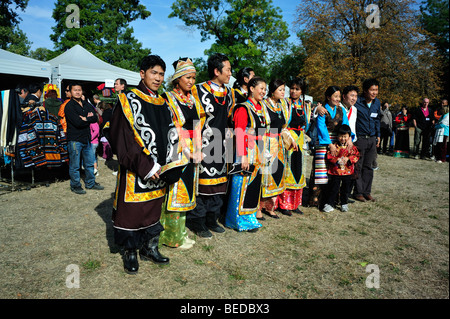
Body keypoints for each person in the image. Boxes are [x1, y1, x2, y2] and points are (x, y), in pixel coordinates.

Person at [108, 55, 188, 274]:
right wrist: (146, 166)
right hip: (137, 170)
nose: (158, 78)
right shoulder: (128, 99)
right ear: (142, 73)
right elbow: (122, 139)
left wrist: (172, 163)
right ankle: (130, 251)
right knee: (133, 212)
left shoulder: (164, 102)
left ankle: (150, 247)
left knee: (153, 210)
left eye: (162, 74)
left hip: (160, 171)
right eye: (154, 73)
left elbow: (172, 133)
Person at [186, 53, 235, 238]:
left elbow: (230, 119)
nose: (230, 73)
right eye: (228, 70)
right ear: (216, 71)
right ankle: (197, 221)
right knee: (202, 185)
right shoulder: (197, 90)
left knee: (219, 184)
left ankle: (212, 219)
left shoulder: (229, 92)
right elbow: (193, 120)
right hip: (204, 144)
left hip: (223, 144)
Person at [159, 57, 204, 249]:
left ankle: (181, 232)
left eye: (193, 78)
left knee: (187, 190)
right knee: (175, 191)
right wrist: (187, 151)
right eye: (188, 77)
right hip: (177, 150)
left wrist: (200, 149)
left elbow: (198, 125)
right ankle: (171, 236)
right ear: (177, 78)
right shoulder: (168, 98)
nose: (191, 81)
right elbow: (175, 127)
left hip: (193, 149)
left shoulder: (193, 100)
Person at [224, 76, 266, 232]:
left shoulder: (260, 108)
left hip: (257, 151)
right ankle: (236, 220)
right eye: (261, 88)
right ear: (251, 88)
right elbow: (240, 132)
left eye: (265, 89)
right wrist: (243, 155)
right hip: (245, 151)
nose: (263, 92)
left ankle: (250, 216)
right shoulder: (243, 108)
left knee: (253, 185)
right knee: (241, 185)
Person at [309, 86, 351, 208]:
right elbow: (321, 128)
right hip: (324, 143)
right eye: (335, 96)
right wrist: (330, 144)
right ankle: (316, 200)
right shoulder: (323, 110)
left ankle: (331, 199)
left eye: (339, 96)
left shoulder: (341, 110)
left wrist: (349, 139)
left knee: (335, 171)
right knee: (321, 172)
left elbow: (345, 125)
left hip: (338, 143)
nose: (338, 99)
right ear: (328, 97)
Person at [64, 82, 104, 195]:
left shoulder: (86, 104)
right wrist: (87, 118)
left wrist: (85, 118)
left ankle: (90, 183)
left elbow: (95, 117)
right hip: (75, 139)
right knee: (75, 165)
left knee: (90, 163)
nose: (77, 92)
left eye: (79, 90)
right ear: (71, 92)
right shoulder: (69, 106)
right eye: (75, 90)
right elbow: (77, 122)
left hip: (87, 138)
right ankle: (75, 185)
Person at [277, 77, 309, 216]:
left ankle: (295, 204)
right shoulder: (284, 103)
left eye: (297, 89)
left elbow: (306, 124)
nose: (294, 91)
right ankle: (284, 204)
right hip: (288, 138)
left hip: (300, 138)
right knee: (287, 170)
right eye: (293, 89)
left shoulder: (305, 105)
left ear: (302, 91)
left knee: (298, 170)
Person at [259, 79, 290, 218]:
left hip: (279, 143)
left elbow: (284, 126)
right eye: (280, 90)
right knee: (266, 175)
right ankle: (259, 208)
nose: (283, 92)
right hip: (267, 142)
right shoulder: (263, 105)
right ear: (272, 91)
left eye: (284, 90)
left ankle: (271, 206)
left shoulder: (283, 105)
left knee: (277, 174)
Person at [353, 78, 381, 202]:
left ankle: (366, 192)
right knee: (358, 166)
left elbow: (377, 120)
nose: (374, 93)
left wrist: (378, 135)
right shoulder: (357, 102)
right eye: (372, 90)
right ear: (365, 90)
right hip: (360, 138)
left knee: (369, 166)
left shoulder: (377, 103)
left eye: (376, 90)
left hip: (372, 139)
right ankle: (358, 192)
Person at [323, 124, 360, 213]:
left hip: (347, 172)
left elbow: (356, 155)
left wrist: (348, 158)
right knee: (333, 188)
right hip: (336, 172)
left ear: (349, 137)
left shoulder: (351, 147)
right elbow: (329, 156)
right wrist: (337, 159)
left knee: (346, 189)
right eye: (341, 136)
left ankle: (344, 203)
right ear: (337, 136)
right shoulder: (334, 147)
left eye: (345, 136)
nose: (343, 139)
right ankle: (330, 203)